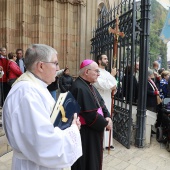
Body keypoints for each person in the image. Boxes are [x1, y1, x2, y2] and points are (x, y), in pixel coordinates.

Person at [2, 44, 82, 170]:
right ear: (41, 66)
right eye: (55, 63)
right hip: (34, 165)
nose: (58, 68)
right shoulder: (27, 93)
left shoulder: (37, 87)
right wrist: (73, 129)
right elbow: (43, 143)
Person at [70, 59, 112, 170]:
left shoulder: (89, 85)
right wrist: (105, 123)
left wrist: (108, 117)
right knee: (87, 161)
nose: (98, 74)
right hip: (86, 133)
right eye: (96, 71)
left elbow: (101, 103)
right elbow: (90, 116)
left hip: (92, 130)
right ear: (86, 72)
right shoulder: (79, 87)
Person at [93, 54, 117, 150]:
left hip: (108, 98)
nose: (107, 60)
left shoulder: (106, 73)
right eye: (105, 58)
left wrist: (113, 85)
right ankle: (100, 143)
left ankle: (108, 143)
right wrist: (112, 76)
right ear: (99, 61)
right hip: (100, 100)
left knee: (108, 120)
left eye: (107, 58)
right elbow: (102, 84)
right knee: (101, 120)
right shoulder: (96, 72)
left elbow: (114, 84)